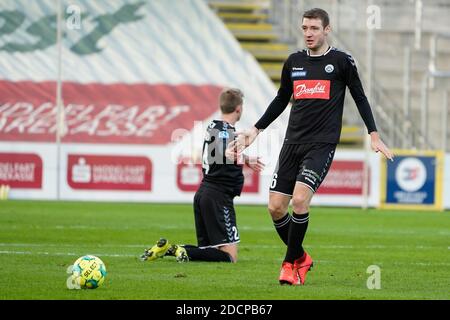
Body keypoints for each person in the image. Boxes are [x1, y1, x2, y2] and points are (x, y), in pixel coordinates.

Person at [229, 8, 394, 285]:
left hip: (322, 144)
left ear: (327, 30)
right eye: (305, 28)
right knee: (275, 207)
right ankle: (301, 257)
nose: (308, 33)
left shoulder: (342, 62)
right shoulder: (293, 62)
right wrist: (255, 130)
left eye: (314, 28)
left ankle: (289, 265)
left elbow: (360, 97)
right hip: (292, 142)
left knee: (300, 200)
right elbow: (281, 99)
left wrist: (373, 134)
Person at [141, 88, 264, 263]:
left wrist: (244, 157)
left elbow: (222, 149)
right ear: (239, 108)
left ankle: (169, 249)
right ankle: (181, 250)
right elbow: (222, 150)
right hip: (218, 197)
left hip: (206, 193)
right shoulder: (222, 131)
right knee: (230, 257)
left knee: (207, 251)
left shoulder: (215, 126)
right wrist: (237, 155)